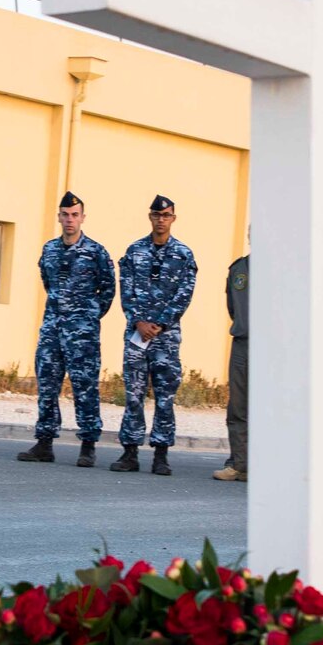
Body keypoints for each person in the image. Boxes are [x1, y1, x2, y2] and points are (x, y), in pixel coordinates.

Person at [16, 190, 115, 467]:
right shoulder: (49, 249)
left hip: (82, 333)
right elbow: (48, 282)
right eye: (65, 215)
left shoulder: (96, 252)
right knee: (47, 385)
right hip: (52, 329)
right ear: (59, 217)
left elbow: (108, 289)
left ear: (83, 218)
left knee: (85, 387)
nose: (70, 220)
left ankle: (88, 445)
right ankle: (45, 443)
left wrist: (89, 316)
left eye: (75, 215)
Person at [110, 194, 197, 476]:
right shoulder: (135, 251)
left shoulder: (184, 254)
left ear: (173, 219)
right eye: (157, 215)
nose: (161, 220)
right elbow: (126, 289)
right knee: (133, 394)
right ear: (150, 217)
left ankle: (161, 455)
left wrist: (159, 323)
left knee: (164, 396)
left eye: (166, 216)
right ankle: (130, 452)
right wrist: (138, 321)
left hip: (166, 337)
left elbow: (184, 294)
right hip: (137, 334)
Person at [215, 244, 249, 482]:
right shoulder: (239, 269)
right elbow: (232, 307)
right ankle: (240, 463)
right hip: (243, 343)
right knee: (237, 407)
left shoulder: (282, 271)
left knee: (269, 409)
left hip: (273, 347)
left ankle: (265, 464)